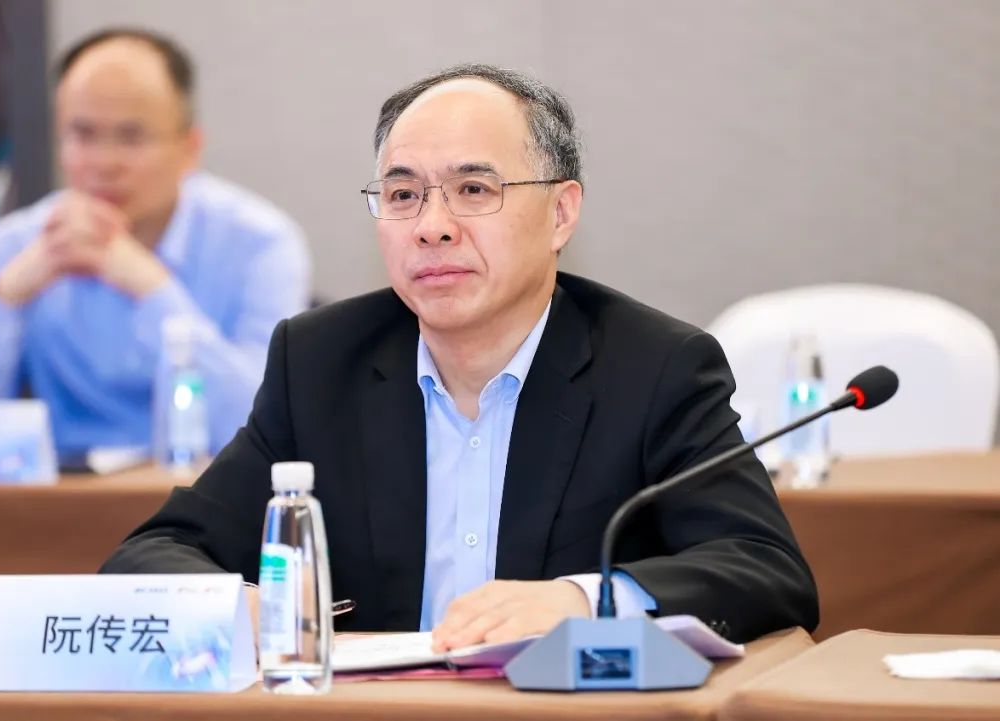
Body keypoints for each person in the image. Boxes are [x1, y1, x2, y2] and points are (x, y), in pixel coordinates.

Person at [102, 64, 817, 648]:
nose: (432, 227)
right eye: (403, 194)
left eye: (474, 189)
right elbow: (152, 553)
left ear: (561, 212)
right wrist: (241, 607)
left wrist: (583, 599)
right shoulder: (319, 363)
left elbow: (765, 569)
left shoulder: (655, 367)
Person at [0, 28, 311, 459]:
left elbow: (270, 428)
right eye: (83, 134)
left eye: (131, 137)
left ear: (189, 149)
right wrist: (5, 301)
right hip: (60, 495)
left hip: (210, 492)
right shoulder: (11, 245)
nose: (104, 163)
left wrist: (154, 290)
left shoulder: (260, 244)